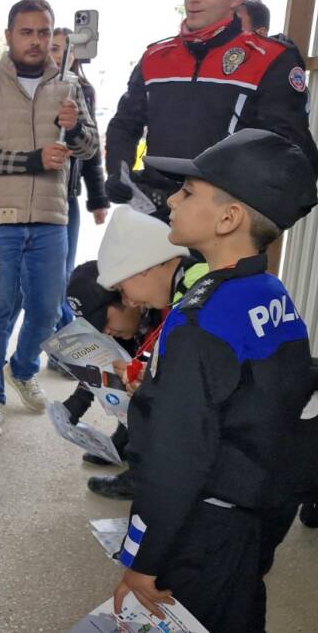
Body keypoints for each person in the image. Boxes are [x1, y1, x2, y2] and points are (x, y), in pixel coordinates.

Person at [111, 129, 318, 632]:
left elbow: (177, 456)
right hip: (257, 507)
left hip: (207, 523)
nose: (172, 198)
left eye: (188, 192)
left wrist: (143, 560)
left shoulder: (199, 321)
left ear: (229, 218)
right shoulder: (268, 290)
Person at [0, 0, 100, 434]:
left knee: (45, 310)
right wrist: (34, 160)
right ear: (9, 36)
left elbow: (90, 148)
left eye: (44, 32)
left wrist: (75, 126)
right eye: (27, 32)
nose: (36, 41)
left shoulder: (69, 87)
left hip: (50, 217)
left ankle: (21, 369)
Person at [104, 0, 318, 220]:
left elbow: (291, 149)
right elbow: (125, 124)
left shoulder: (270, 59)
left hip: (223, 221)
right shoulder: (155, 57)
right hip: (153, 211)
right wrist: (119, 172)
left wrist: (263, 220)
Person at [88, 206, 208, 499]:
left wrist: (156, 386)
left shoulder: (195, 302)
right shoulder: (193, 282)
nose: (127, 300)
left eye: (122, 288)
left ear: (144, 268)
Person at [58, 260, 156, 468]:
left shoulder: (165, 309)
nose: (105, 331)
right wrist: (80, 399)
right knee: (126, 373)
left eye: (104, 321)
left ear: (124, 295)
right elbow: (106, 364)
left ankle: (144, 462)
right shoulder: (122, 327)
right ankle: (126, 439)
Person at [50, 28, 110, 351]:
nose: (53, 54)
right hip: (32, 196)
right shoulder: (32, 86)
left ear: (73, 54)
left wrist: (98, 198)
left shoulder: (80, 90)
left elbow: (92, 148)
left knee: (63, 276)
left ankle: (69, 347)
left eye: (59, 49)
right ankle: (65, 347)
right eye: (50, 48)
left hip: (66, 197)